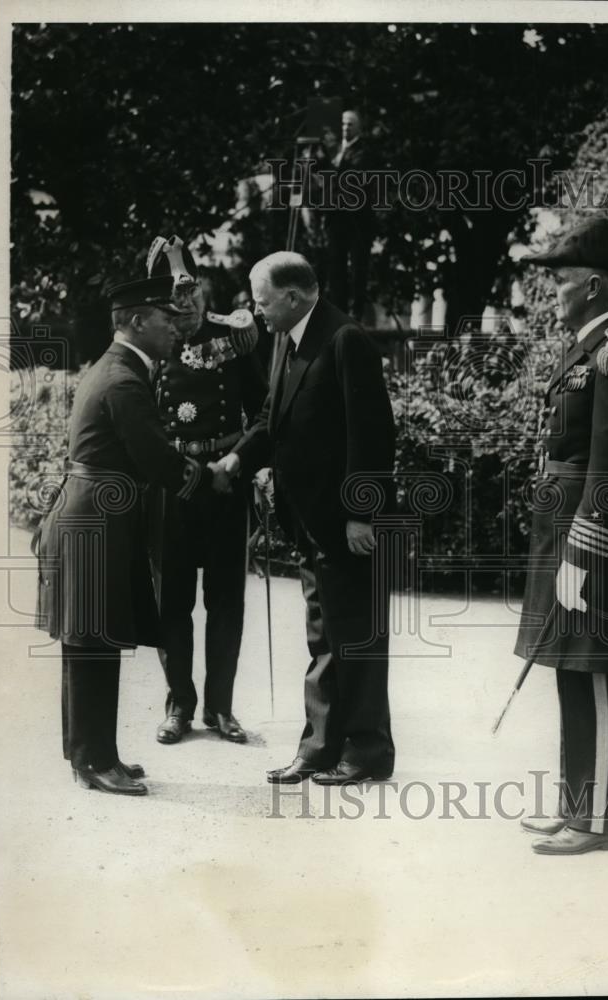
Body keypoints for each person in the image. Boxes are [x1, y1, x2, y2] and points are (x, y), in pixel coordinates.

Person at [35, 276, 230, 795]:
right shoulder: (123, 379)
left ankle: (90, 755)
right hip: (97, 519)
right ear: (139, 321)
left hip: (94, 513)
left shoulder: (115, 368)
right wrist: (210, 477)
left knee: (89, 640)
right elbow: (157, 458)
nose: (176, 329)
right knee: (93, 642)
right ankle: (96, 761)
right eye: (166, 319)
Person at [514, 216, 608, 854]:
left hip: (591, 536)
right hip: (564, 526)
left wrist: (582, 550)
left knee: (595, 670)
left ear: (595, 286)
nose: (553, 292)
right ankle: (576, 804)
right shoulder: (584, 347)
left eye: (562, 280)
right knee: (569, 665)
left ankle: (599, 821)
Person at [218, 251, 396, 785]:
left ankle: (367, 751)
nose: (257, 310)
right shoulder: (290, 340)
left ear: (293, 297)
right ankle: (320, 747)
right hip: (312, 523)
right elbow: (271, 418)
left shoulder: (345, 340)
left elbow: (372, 434)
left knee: (355, 637)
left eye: (263, 301)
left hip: (346, 525)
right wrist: (237, 460)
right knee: (325, 637)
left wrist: (362, 515)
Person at [146, 235, 267, 745]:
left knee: (226, 600)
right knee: (172, 601)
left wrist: (244, 459)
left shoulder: (232, 337)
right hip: (173, 487)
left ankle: (221, 707)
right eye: (175, 295)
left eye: (192, 290)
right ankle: (180, 704)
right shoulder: (151, 342)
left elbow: (263, 411)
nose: (187, 302)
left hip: (223, 481)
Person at [315, 109, 375, 322]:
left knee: (358, 267)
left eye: (350, 124)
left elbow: (353, 176)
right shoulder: (334, 150)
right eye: (342, 123)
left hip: (358, 219)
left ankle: (356, 311)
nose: (345, 128)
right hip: (336, 217)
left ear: (359, 128)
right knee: (336, 266)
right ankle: (338, 312)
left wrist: (331, 162)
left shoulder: (364, 151)